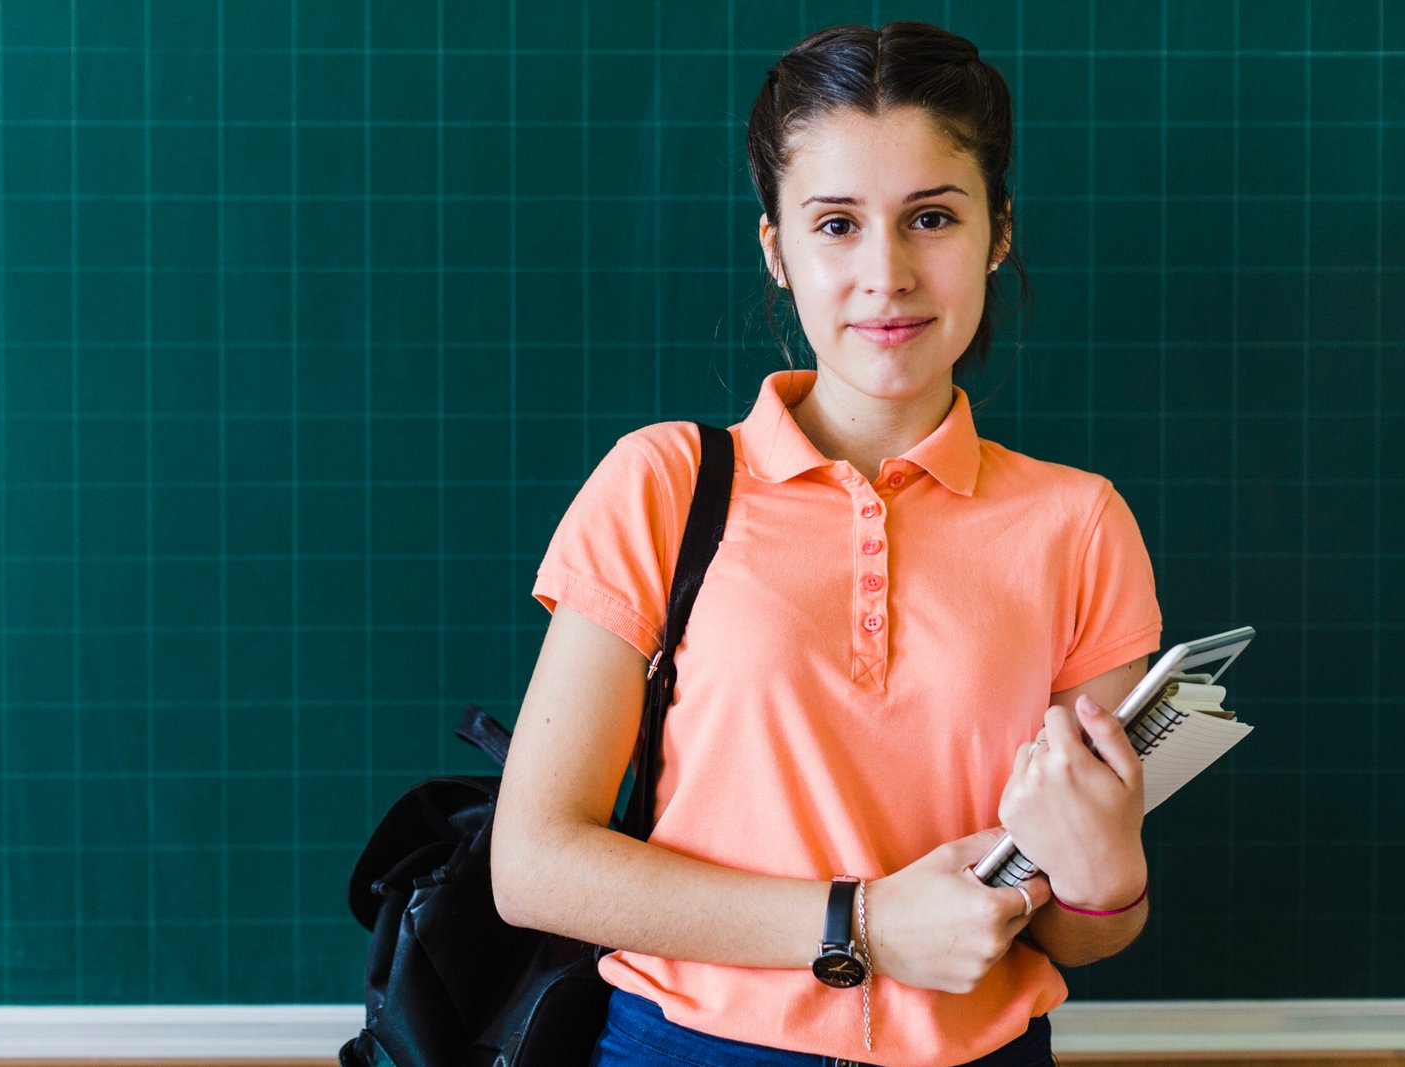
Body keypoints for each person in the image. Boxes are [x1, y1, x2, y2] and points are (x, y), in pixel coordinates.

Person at [490, 21, 1161, 1067]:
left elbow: (1080, 927)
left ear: (996, 233)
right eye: (836, 223)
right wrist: (861, 924)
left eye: (930, 217)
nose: (884, 272)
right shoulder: (662, 482)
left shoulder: (1077, 524)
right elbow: (533, 862)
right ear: (777, 246)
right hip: (685, 1046)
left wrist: (1107, 870)